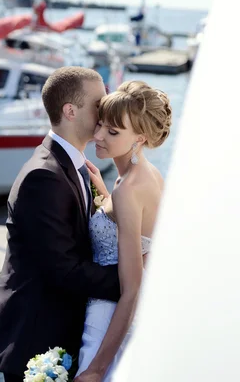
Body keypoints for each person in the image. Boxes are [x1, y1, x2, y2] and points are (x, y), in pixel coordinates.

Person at [0, 66, 122, 382]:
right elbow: (64, 269)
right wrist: (132, 285)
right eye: (99, 104)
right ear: (70, 111)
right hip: (37, 340)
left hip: (60, 332)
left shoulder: (74, 167)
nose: (106, 112)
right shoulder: (43, 175)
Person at [74, 80, 172, 382]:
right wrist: (105, 198)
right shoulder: (146, 175)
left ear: (140, 138)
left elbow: (132, 289)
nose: (98, 136)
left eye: (113, 132)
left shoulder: (129, 190)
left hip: (107, 323)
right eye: (100, 124)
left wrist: (97, 369)